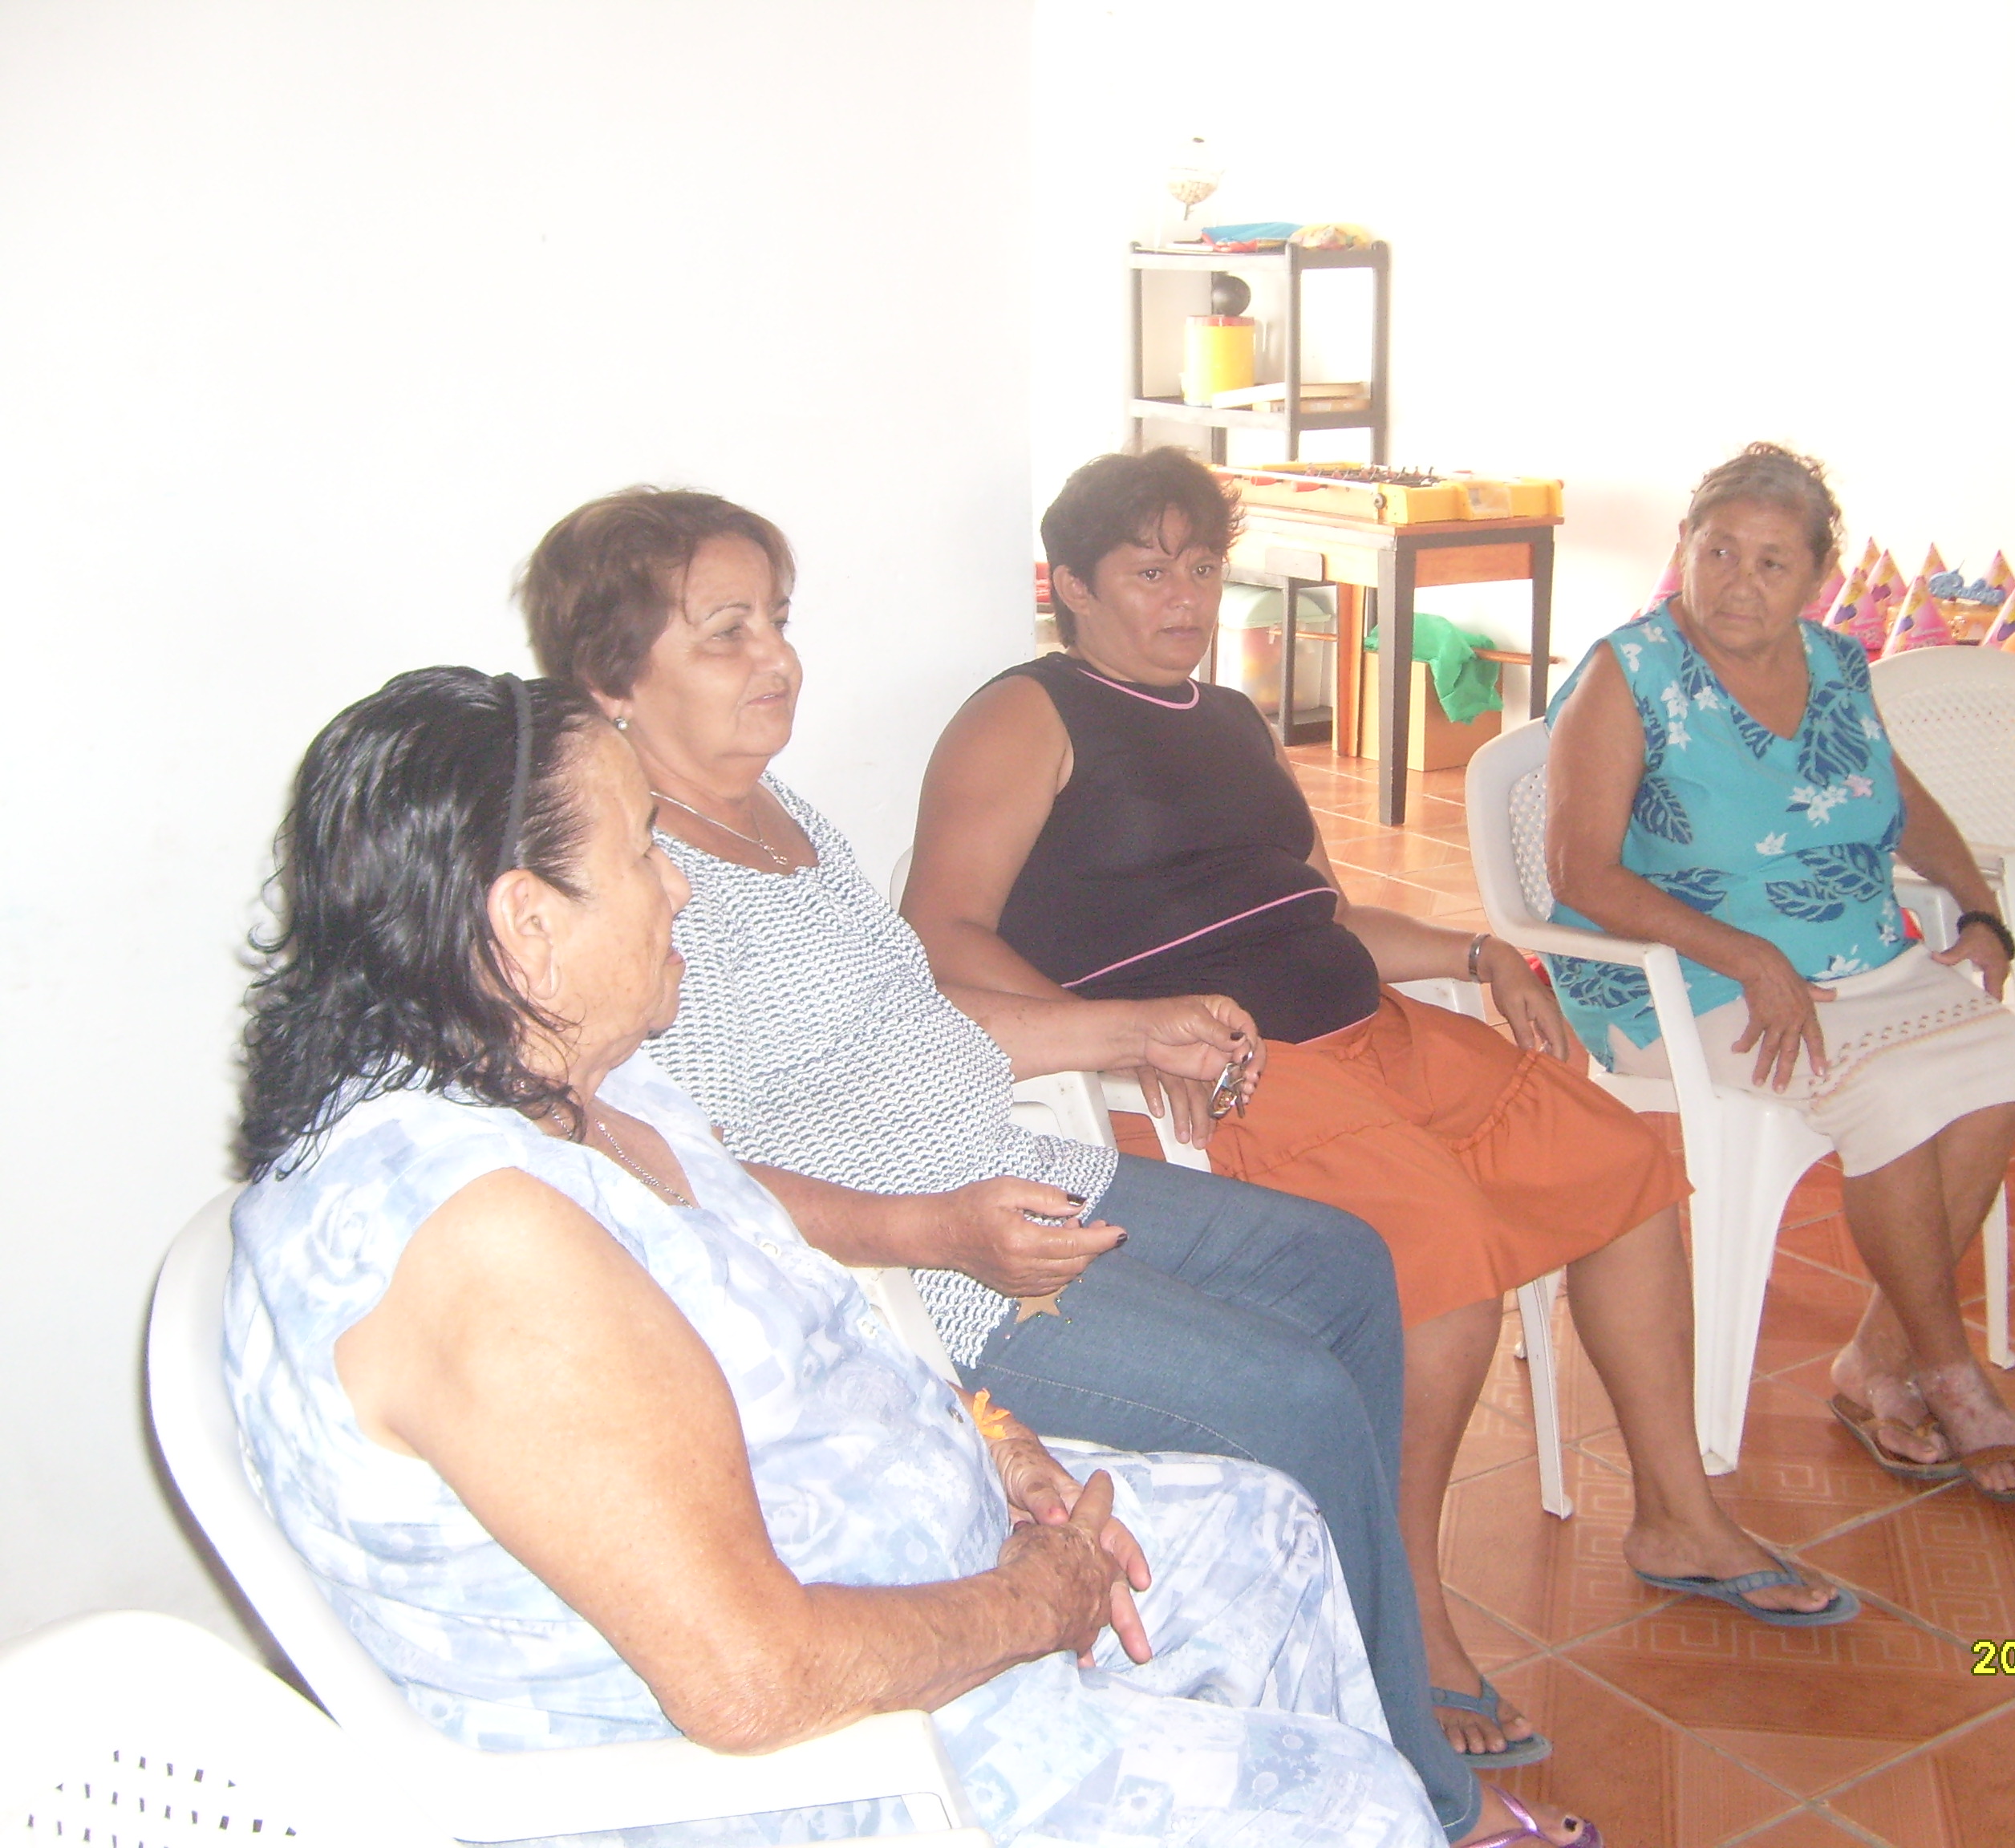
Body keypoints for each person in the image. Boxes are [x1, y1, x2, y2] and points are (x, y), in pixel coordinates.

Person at [226, 666, 1460, 1847]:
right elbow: (748, 1680)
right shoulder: (482, 1245)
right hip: (821, 1768)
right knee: (1359, 1807)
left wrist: (992, 1441)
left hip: (916, 1584)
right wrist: (1033, 1603)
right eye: (644, 851)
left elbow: (805, 1327)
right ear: (527, 926)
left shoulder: (593, 1088)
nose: (680, 887)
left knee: (1268, 1533)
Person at [516, 490, 1587, 1848]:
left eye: (776, 620)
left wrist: (1133, 1028)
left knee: (1340, 1262)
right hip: (920, 1266)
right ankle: (1423, 1786)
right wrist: (934, 1229)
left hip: (1005, 1160)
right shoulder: (623, 891)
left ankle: (1352, 1654)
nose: (777, 657)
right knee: (1293, 1396)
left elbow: (922, 1015)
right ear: (612, 676)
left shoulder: (780, 815)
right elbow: (681, 1173)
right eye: (725, 632)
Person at [902, 448, 1859, 1773]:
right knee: (1439, 1261)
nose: (1184, 598)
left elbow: (1326, 913)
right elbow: (937, 930)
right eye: (1148, 572)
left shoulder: (1232, 720)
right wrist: (1120, 1035)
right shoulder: (1031, 713)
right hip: (1236, 1075)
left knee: (1621, 1164)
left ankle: (1679, 1520)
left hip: (1370, 1034)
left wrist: (1478, 951)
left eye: (1202, 568)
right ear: (1068, 584)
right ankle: (1405, 1618)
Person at [1541, 443, 2015, 1499]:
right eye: (1719, 551)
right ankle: (1950, 1374)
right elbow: (1578, 870)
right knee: (1889, 1096)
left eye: (1773, 562)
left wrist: (1980, 908)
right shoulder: (1629, 672)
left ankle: (1878, 1359)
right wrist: (1745, 954)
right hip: (1679, 975)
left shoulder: (1835, 665)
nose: (1739, 582)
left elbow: (1899, 804)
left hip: (1851, 955)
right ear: (1685, 548)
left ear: (1820, 577)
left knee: (2001, 1063)